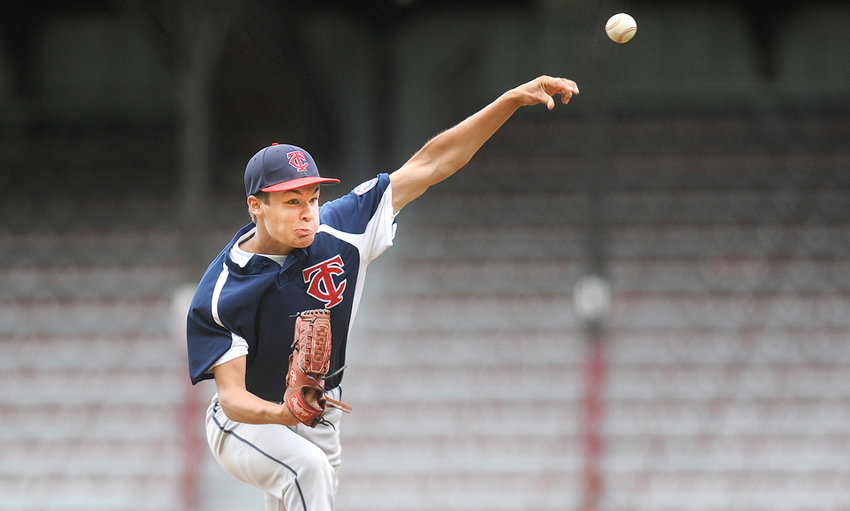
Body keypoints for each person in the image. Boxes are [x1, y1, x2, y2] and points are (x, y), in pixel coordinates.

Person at [185, 75, 579, 510]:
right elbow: (233, 399)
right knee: (307, 471)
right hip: (246, 422)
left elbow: (432, 163)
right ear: (256, 206)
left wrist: (507, 101)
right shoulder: (224, 288)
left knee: (307, 479)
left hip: (319, 408)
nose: (308, 213)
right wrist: (282, 413)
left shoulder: (341, 230)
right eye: (291, 201)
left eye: (313, 198)